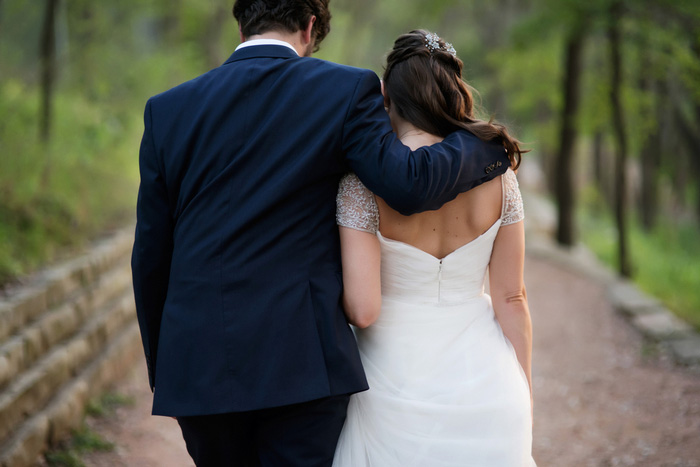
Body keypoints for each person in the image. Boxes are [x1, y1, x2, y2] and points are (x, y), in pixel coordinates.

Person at [131, 0, 510, 464]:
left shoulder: (166, 111)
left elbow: (150, 256)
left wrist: (165, 367)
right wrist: (487, 144)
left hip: (199, 367)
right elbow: (408, 185)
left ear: (240, 21)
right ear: (310, 27)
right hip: (302, 367)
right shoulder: (345, 90)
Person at [332, 30, 535, 466]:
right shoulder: (500, 175)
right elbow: (511, 297)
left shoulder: (360, 187)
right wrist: (521, 388)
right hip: (485, 383)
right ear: (454, 92)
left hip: (391, 386)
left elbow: (363, 309)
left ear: (385, 96)